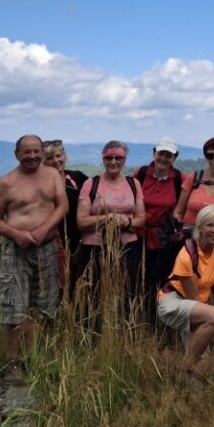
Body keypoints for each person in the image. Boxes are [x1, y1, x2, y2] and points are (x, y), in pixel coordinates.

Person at [0, 135, 69, 366]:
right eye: (27, 152)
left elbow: (63, 205)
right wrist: (17, 234)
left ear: (42, 153)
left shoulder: (52, 175)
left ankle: (42, 356)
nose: (32, 156)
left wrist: (45, 229)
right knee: (14, 304)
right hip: (16, 249)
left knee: (47, 302)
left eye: (36, 151)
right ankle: (13, 361)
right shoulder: (7, 183)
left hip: (48, 247)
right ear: (17, 155)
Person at [156, 205, 214, 380]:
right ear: (200, 229)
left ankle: (183, 384)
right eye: (209, 225)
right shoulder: (187, 256)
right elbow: (194, 301)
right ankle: (185, 365)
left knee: (205, 358)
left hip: (199, 307)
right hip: (173, 301)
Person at [76, 140, 146, 323]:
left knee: (127, 290)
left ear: (125, 159)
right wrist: (108, 218)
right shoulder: (91, 184)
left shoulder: (134, 184)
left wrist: (126, 221)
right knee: (94, 291)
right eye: (109, 158)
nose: (113, 162)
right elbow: (81, 221)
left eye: (118, 157)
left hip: (128, 246)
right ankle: (92, 330)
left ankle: (124, 329)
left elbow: (141, 219)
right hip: (95, 247)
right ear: (103, 158)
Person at [135, 137, 186, 324]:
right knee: (141, 277)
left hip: (166, 239)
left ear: (175, 157)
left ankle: (162, 320)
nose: (164, 158)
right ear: (154, 153)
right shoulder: (141, 174)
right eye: (161, 154)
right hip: (140, 235)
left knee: (162, 279)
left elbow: (182, 207)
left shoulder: (179, 179)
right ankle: (142, 318)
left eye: (169, 155)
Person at [42, 140, 89, 301]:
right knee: (54, 286)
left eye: (59, 155)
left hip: (79, 242)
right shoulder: (39, 184)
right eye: (49, 158)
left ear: (65, 156)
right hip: (51, 245)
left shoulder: (78, 178)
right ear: (42, 162)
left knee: (79, 284)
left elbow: (99, 192)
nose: (56, 161)